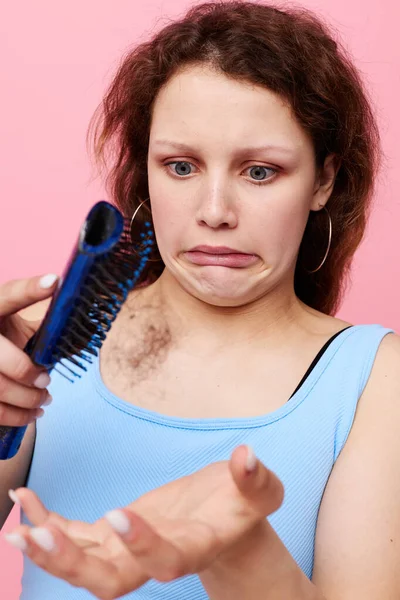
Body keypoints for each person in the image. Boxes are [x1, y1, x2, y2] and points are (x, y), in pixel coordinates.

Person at [1, 1, 399, 598]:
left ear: (323, 180)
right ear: (147, 171)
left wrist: (237, 547)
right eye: (181, 166)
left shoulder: (375, 384)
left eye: (260, 172)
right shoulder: (35, 345)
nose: (215, 212)